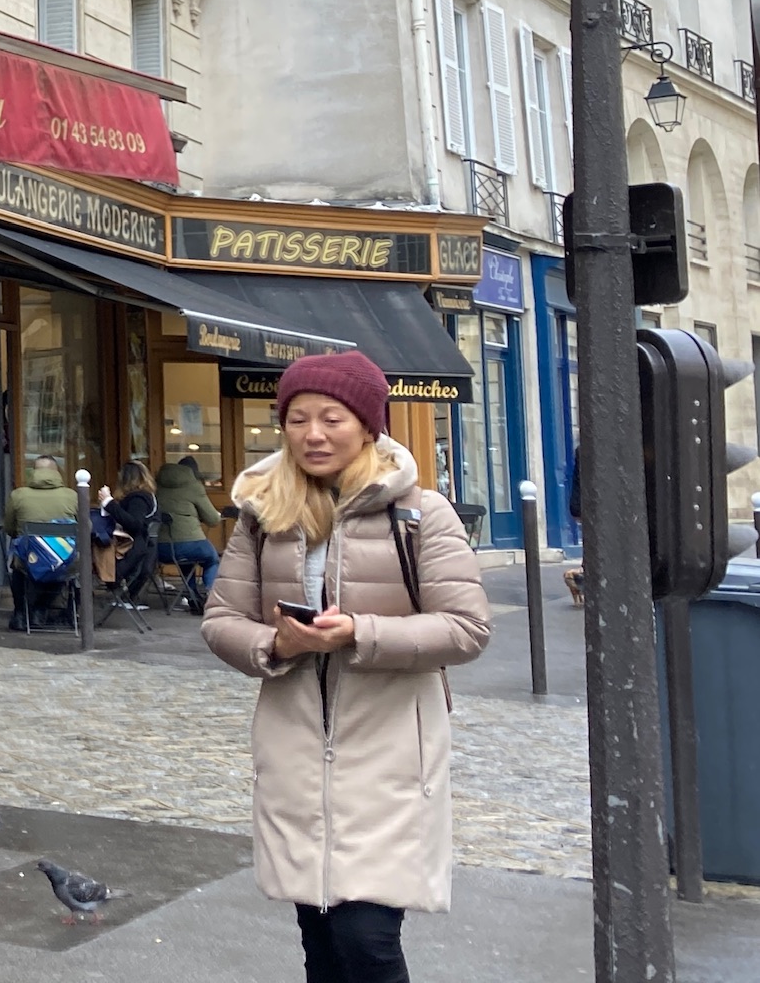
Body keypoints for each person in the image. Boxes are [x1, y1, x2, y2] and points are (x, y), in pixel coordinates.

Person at [202, 351, 489, 983]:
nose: (313, 434)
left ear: (367, 425)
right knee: (322, 941)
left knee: (366, 940)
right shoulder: (263, 515)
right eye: (297, 419)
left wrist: (361, 632)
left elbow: (466, 628)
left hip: (391, 751)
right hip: (297, 749)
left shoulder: (420, 513)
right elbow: (221, 621)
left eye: (331, 419)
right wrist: (279, 645)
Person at [4, 456, 81, 631]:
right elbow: (83, 528)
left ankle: (21, 613)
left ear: (34, 472)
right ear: (56, 472)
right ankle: (41, 609)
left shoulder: (18, 495)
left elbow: (9, 528)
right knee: (61, 560)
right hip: (63, 562)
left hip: (29, 560)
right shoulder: (72, 496)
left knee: (19, 562)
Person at [156, 454, 223, 599]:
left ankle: (192, 595)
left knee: (186, 560)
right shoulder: (194, 487)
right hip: (189, 544)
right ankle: (211, 594)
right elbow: (213, 520)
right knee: (211, 558)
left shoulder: (157, 486)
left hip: (159, 548)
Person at [106, 460, 159, 607]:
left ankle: (110, 584)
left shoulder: (137, 499)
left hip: (131, 550)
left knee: (99, 547)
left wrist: (108, 503)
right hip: (146, 549)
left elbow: (134, 524)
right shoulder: (148, 496)